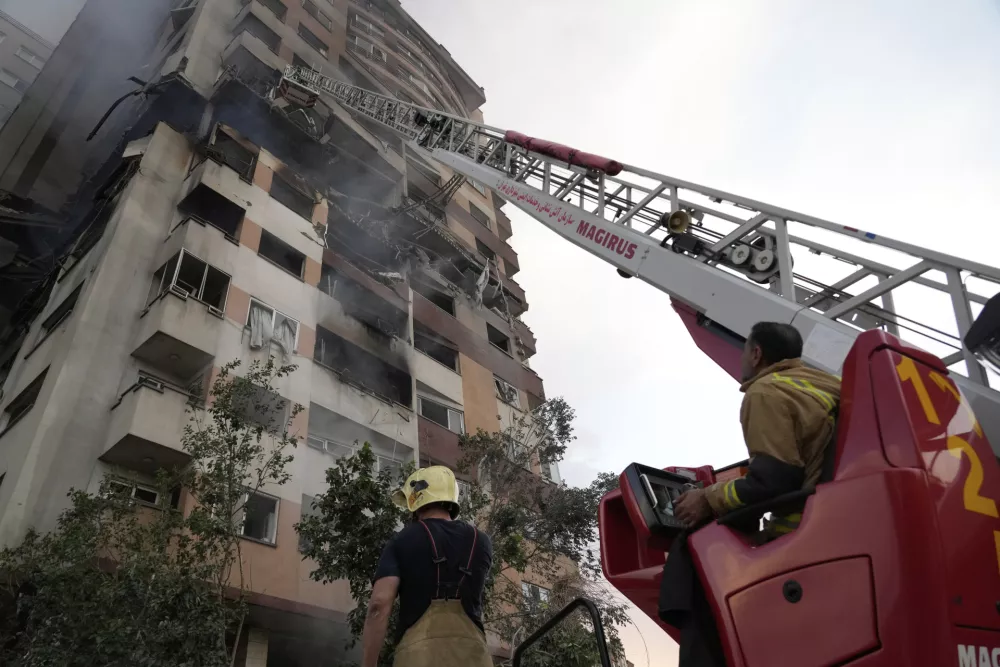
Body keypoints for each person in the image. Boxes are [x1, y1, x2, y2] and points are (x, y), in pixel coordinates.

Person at [673, 321, 841, 537]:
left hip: (804, 533)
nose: (742, 359)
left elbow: (773, 481)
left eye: (744, 351)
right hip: (836, 513)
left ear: (756, 354)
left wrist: (707, 498)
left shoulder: (765, 392)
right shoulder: (824, 383)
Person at [362, 466, 493, 667]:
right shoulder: (481, 541)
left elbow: (379, 605)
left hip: (419, 657)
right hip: (475, 657)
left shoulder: (402, 540)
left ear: (416, 500)